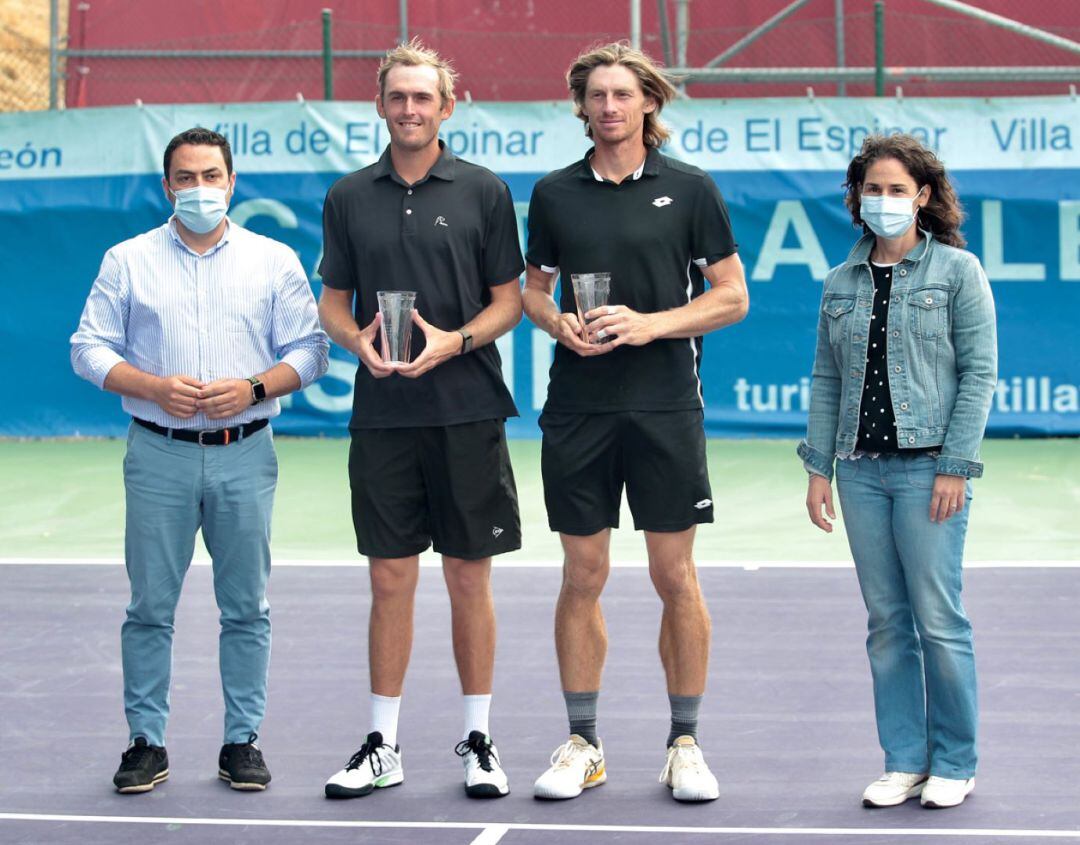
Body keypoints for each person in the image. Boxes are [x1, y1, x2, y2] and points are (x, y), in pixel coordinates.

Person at [70, 127, 329, 794]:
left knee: (247, 606)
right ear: (167, 187)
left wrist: (253, 387)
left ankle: (242, 739)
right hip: (158, 452)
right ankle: (145, 740)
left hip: (245, 451)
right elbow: (87, 347)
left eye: (211, 175)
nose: (199, 189)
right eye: (185, 178)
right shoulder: (127, 259)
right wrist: (152, 386)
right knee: (150, 606)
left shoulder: (272, 260)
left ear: (232, 182)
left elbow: (310, 350)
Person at [522, 42, 748, 803]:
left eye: (623, 93)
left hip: (664, 406)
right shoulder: (554, 194)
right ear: (580, 106)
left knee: (672, 573)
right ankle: (583, 742)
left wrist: (652, 324)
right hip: (579, 409)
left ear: (649, 102)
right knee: (582, 573)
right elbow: (533, 291)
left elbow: (731, 296)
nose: (610, 106)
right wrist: (559, 326)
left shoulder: (690, 189)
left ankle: (685, 740)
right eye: (597, 95)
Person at [317, 39, 524, 800]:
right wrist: (356, 341)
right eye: (397, 97)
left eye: (423, 97)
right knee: (389, 579)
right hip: (382, 415)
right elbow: (333, 301)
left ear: (447, 106)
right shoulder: (347, 196)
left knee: (469, 578)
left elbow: (508, 300)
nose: (410, 109)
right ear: (380, 105)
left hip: (467, 410)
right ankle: (384, 743)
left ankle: (478, 738)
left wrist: (453, 341)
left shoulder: (484, 191)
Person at [799, 133, 997, 810]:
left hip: (927, 473)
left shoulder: (957, 273)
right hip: (858, 472)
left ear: (923, 196)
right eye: (872, 189)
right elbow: (827, 378)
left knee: (938, 618)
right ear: (856, 199)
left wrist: (955, 465)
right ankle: (904, 759)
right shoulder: (839, 282)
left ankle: (955, 760)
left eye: (897, 189)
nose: (884, 201)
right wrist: (818, 467)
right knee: (887, 621)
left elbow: (979, 374)